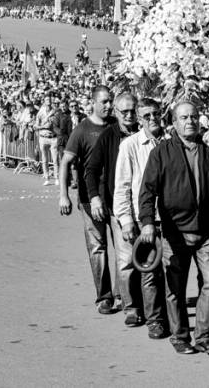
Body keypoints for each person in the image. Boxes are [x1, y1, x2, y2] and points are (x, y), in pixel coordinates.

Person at [139, 101, 209, 355]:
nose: (190, 121)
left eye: (194, 116)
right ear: (174, 122)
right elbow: (147, 191)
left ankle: (204, 336)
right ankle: (180, 336)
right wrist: (148, 222)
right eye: (184, 117)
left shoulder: (208, 149)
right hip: (175, 231)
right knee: (175, 288)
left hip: (206, 228)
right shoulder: (162, 152)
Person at [58, 85, 119, 315]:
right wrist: (63, 195)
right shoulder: (82, 130)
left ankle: (122, 293)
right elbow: (66, 162)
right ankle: (104, 297)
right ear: (93, 103)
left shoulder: (117, 125)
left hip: (115, 197)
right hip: (89, 198)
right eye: (103, 101)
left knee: (123, 246)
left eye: (110, 101)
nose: (108, 105)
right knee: (98, 247)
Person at [113, 97, 169, 339]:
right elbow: (122, 185)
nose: (153, 119)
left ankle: (170, 316)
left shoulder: (170, 142)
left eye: (156, 114)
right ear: (139, 119)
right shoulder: (131, 145)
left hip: (171, 217)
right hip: (144, 218)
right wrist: (126, 220)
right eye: (147, 116)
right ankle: (154, 320)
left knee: (172, 270)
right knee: (149, 272)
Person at [83, 91, 139, 325]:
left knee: (141, 257)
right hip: (117, 205)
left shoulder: (146, 133)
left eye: (131, 111)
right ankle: (130, 306)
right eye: (123, 111)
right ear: (116, 112)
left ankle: (143, 301)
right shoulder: (108, 136)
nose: (128, 115)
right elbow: (91, 169)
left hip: (143, 204)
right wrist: (94, 197)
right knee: (124, 257)